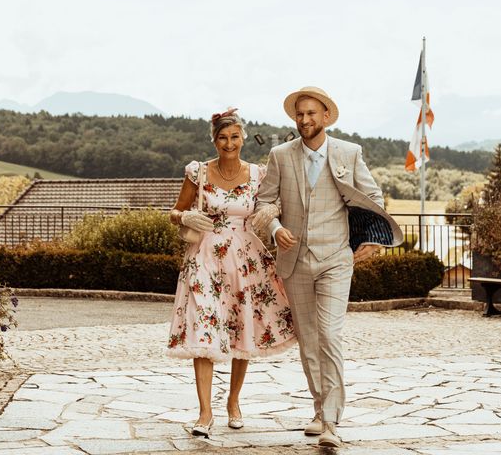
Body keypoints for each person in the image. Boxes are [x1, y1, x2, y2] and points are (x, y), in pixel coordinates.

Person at [253, 87, 403, 447]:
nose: (304, 120)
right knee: (308, 341)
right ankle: (320, 410)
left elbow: (373, 198)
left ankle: (332, 422)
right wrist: (275, 228)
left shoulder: (349, 153)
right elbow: (265, 201)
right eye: (299, 114)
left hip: (336, 259)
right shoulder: (280, 155)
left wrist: (373, 237)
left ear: (326, 116)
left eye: (311, 113)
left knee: (329, 335)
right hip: (295, 261)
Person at [166, 108, 296, 438]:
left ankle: (233, 402)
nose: (229, 143)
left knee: (242, 327)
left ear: (242, 138)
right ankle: (204, 412)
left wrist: (270, 213)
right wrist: (185, 219)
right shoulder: (198, 173)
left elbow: (274, 203)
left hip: (245, 259)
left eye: (234, 137)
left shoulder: (258, 174)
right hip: (204, 258)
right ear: (214, 140)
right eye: (222, 137)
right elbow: (175, 211)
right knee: (203, 327)